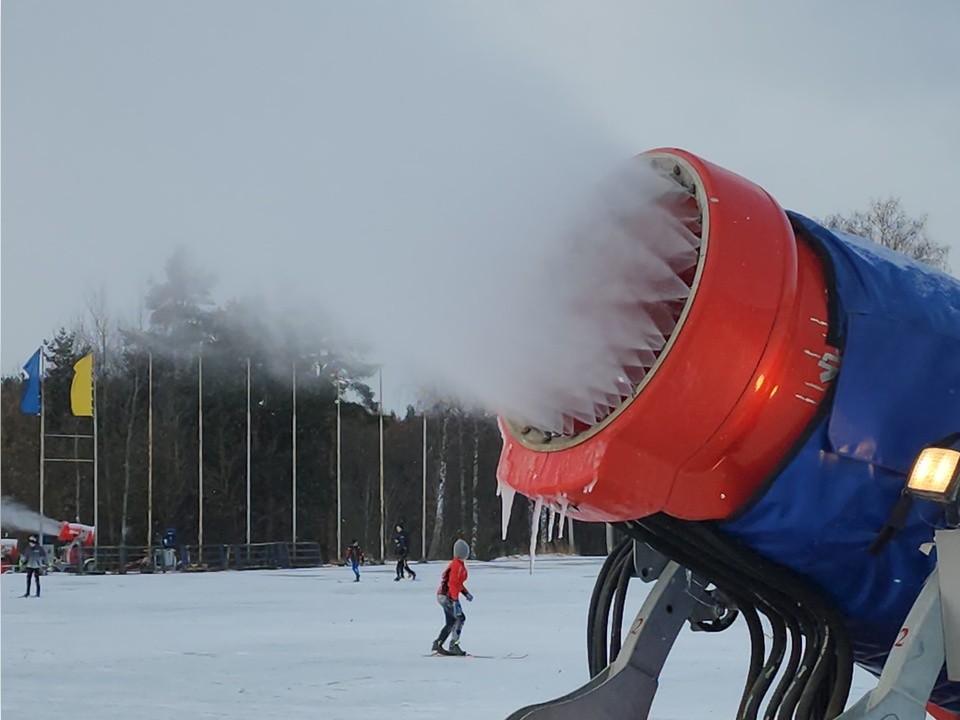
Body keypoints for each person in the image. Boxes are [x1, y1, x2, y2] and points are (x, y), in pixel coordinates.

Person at [431, 538, 474, 656]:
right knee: (460, 619)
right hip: (447, 596)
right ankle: (454, 644)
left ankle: (438, 643)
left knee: (451, 622)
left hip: (443, 595)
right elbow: (453, 584)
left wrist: (465, 593)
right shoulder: (457, 565)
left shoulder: (458, 564)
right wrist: (455, 601)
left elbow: (458, 584)